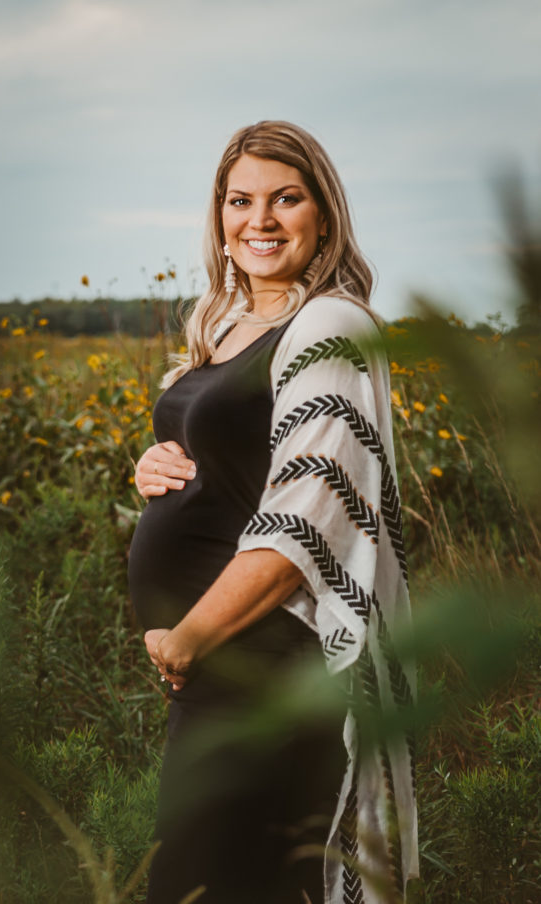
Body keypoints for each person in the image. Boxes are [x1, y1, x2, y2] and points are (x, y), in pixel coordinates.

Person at [128, 121, 418, 904]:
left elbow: (307, 516)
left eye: (285, 198)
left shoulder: (329, 325)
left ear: (323, 215)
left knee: (215, 883)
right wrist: (153, 467)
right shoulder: (221, 324)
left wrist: (190, 637)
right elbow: (237, 468)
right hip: (222, 672)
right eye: (239, 200)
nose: (258, 220)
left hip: (270, 669)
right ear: (218, 217)